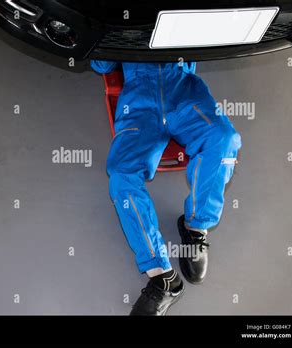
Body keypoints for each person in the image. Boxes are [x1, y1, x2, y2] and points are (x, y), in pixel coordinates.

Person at [91, 60, 242, 315]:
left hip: (183, 91)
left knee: (224, 141)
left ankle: (195, 227)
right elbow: (101, 64)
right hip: (140, 100)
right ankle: (162, 276)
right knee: (121, 174)